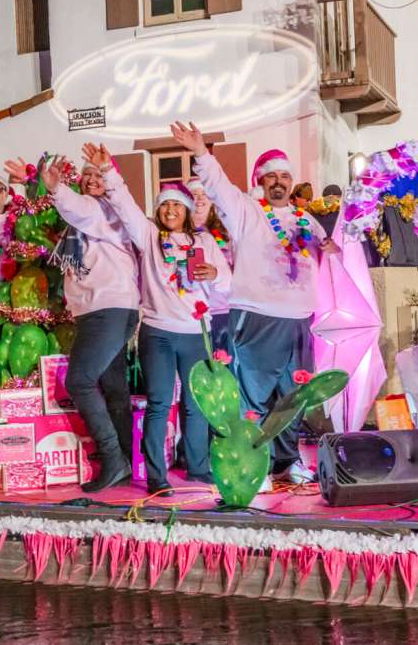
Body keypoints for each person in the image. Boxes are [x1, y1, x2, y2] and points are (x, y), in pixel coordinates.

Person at [171, 122, 337, 487]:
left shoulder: (307, 220)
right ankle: (251, 464)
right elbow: (218, 187)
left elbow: (329, 256)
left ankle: (287, 462)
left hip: (299, 321)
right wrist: (201, 152)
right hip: (258, 317)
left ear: (291, 182)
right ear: (261, 182)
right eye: (270, 176)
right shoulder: (246, 211)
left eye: (284, 176)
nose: (278, 181)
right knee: (254, 399)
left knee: (294, 398)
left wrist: (333, 250)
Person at [85, 144, 231, 496]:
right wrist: (108, 171)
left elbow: (227, 283)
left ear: (186, 211)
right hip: (158, 333)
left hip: (196, 333)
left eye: (176, 205)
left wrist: (213, 274)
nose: (169, 210)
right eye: (164, 204)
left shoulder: (205, 240)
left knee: (196, 406)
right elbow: (124, 204)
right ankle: (157, 477)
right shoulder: (149, 236)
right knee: (160, 402)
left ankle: (197, 468)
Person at [5, 150, 140, 492]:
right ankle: (125, 458)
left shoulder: (101, 210)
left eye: (99, 174)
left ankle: (113, 458)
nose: (92, 179)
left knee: (79, 380)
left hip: (108, 308)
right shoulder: (87, 219)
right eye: (87, 174)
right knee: (112, 387)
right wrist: (35, 180)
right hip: (103, 309)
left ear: (108, 178)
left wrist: (54, 189)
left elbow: (74, 207)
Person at [186, 176, 233, 353]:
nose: (198, 200)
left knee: (222, 366)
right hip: (190, 310)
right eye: (193, 194)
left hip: (222, 310)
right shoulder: (178, 233)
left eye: (203, 194)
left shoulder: (226, 232)